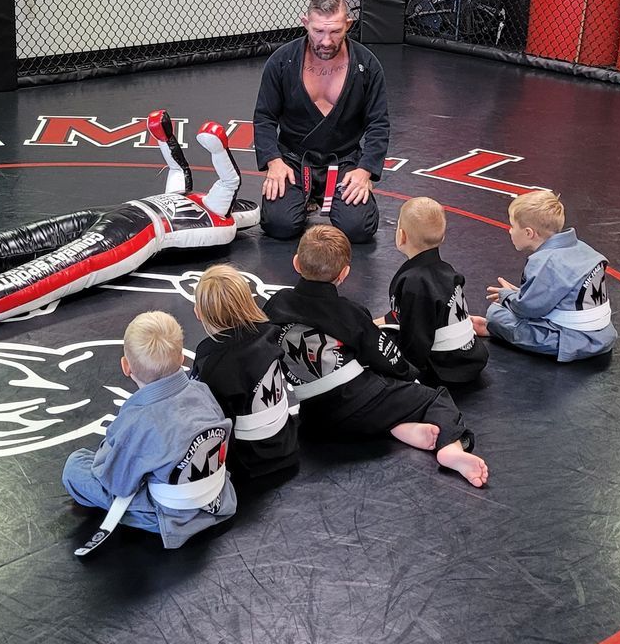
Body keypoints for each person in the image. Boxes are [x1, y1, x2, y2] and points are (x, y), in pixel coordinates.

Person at [0, 111, 256, 323]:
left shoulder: (218, 217)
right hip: (120, 212)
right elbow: (177, 167)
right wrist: (162, 132)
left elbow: (230, 180)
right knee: (27, 238)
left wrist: (218, 148)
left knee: (70, 263)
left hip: (142, 231)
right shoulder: (186, 195)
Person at [266, 227, 489, 487]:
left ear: (296, 263)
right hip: (360, 400)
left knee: (367, 407)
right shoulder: (349, 312)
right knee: (434, 398)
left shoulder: (274, 305)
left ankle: (399, 428)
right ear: (344, 274)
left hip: (316, 420)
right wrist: (410, 376)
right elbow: (386, 357)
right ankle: (451, 446)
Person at [62, 310, 237, 554]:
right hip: (218, 499)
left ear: (126, 366)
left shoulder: (136, 420)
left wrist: (108, 453)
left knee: (75, 467)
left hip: (169, 517)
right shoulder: (202, 391)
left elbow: (118, 485)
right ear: (181, 358)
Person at [252, 0, 391, 244]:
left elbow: (378, 123)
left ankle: (330, 196)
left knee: (358, 228)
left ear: (348, 24)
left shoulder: (367, 65)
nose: (326, 41)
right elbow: (264, 117)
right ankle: (302, 197)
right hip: (293, 159)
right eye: (318, 31)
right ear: (305, 23)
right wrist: (273, 161)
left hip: (345, 159)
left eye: (335, 31)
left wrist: (365, 171)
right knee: (278, 224)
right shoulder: (282, 62)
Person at [471, 189, 615, 362]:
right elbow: (559, 293)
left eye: (512, 226)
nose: (509, 231)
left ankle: (493, 329)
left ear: (529, 233)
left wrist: (507, 297)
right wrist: (519, 294)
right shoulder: (581, 248)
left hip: (574, 341)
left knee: (496, 313)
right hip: (603, 334)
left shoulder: (545, 261)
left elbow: (527, 309)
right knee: (506, 309)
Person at [190, 264, 299, 482]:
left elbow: (208, 418)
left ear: (199, 313)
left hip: (249, 462)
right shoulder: (270, 332)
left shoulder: (210, 359)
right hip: (287, 443)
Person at [380, 197, 488, 387]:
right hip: (471, 357)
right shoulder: (447, 270)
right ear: (443, 237)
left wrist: (404, 371)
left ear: (401, 235)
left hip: (446, 369)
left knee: (379, 343)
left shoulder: (413, 283)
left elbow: (416, 340)